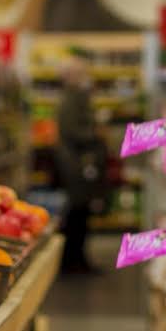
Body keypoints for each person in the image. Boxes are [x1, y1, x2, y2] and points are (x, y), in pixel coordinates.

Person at [55, 54, 106, 274]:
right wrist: (96, 133)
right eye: (80, 72)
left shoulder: (76, 97)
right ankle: (71, 261)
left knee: (80, 213)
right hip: (76, 165)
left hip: (78, 163)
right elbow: (72, 131)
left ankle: (77, 259)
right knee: (77, 213)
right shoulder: (70, 99)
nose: (85, 76)